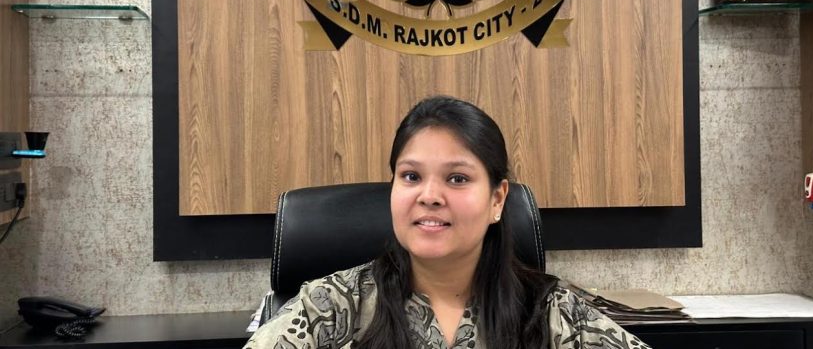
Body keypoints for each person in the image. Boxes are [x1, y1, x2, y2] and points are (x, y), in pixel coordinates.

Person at [244, 96, 651, 349]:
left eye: (457, 178)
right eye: (411, 176)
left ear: (497, 199)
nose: (429, 195)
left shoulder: (552, 312)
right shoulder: (329, 307)